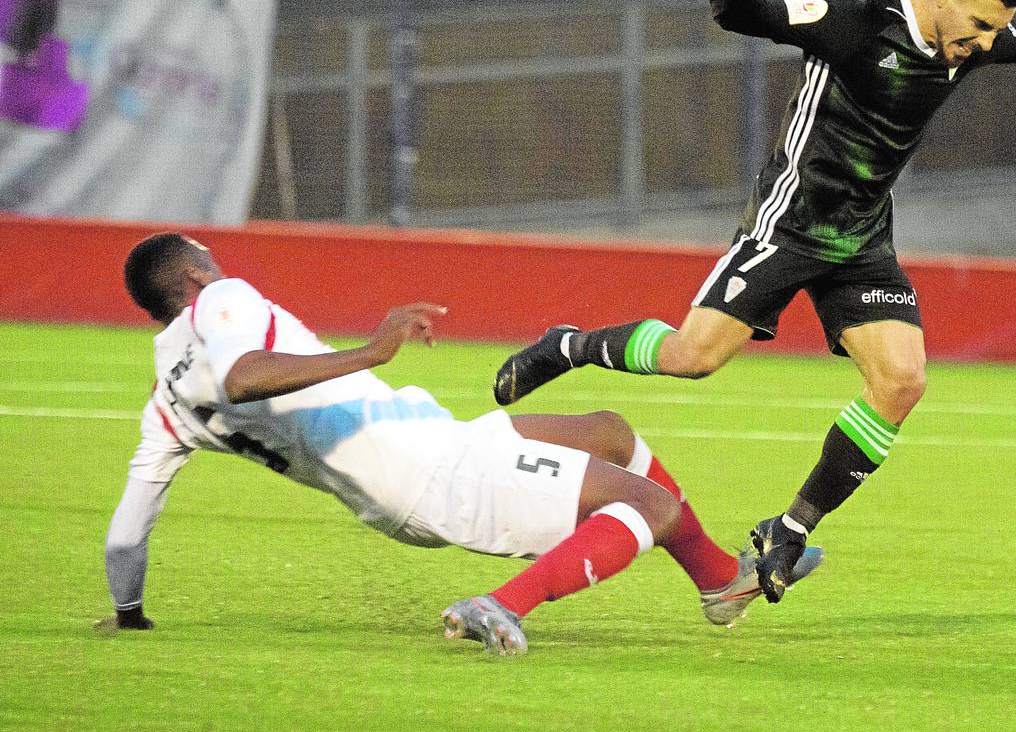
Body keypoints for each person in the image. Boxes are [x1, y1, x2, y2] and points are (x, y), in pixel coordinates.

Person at [493, 0, 1016, 603]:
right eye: (984, 23)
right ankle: (569, 345)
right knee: (691, 357)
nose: (989, 42)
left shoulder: (971, 40)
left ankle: (791, 529)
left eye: (996, 30)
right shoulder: (857, 21)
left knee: (903, 381)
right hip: (790, 221)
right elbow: (756, 18)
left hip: (862, 239)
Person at [101, 233, 821, 656]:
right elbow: (242, 376)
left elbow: (127, 534)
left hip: (414, 463)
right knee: (651, 506)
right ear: (196, 276)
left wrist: (129, 614)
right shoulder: (222, 300)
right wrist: (372, 351)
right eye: (210, 258)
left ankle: (720, 582)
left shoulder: (164, 404)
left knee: (610, 432)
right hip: (429, 471)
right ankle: (503, 605)